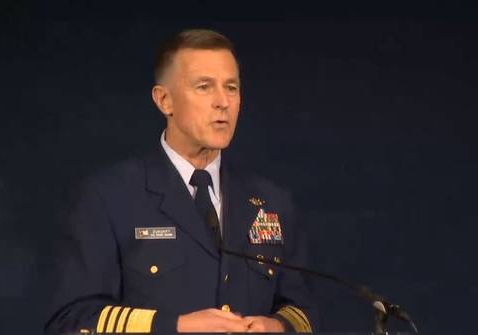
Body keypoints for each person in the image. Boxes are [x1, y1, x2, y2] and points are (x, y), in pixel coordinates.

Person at [45, 28, 317, 334]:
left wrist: (278, 327)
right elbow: (72, 321)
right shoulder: (109, 197)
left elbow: (300, 311)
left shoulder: (271, 201)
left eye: (231, 87)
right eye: (204, 87)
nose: (222, 102)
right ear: (164, 100)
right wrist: (176, 326)